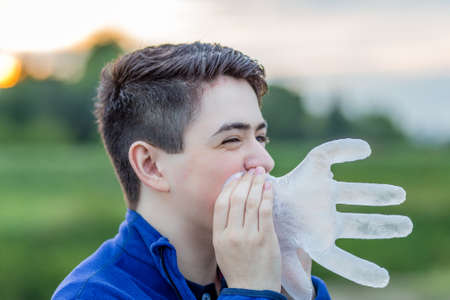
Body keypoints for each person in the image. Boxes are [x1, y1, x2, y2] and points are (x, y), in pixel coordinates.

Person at [51, 42, 331, 300]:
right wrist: (251, 292)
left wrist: (293, 290)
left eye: (260, 138)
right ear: (151, 165)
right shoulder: (94, 294)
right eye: (232, 139)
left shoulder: (268, 274)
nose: (265, 160)